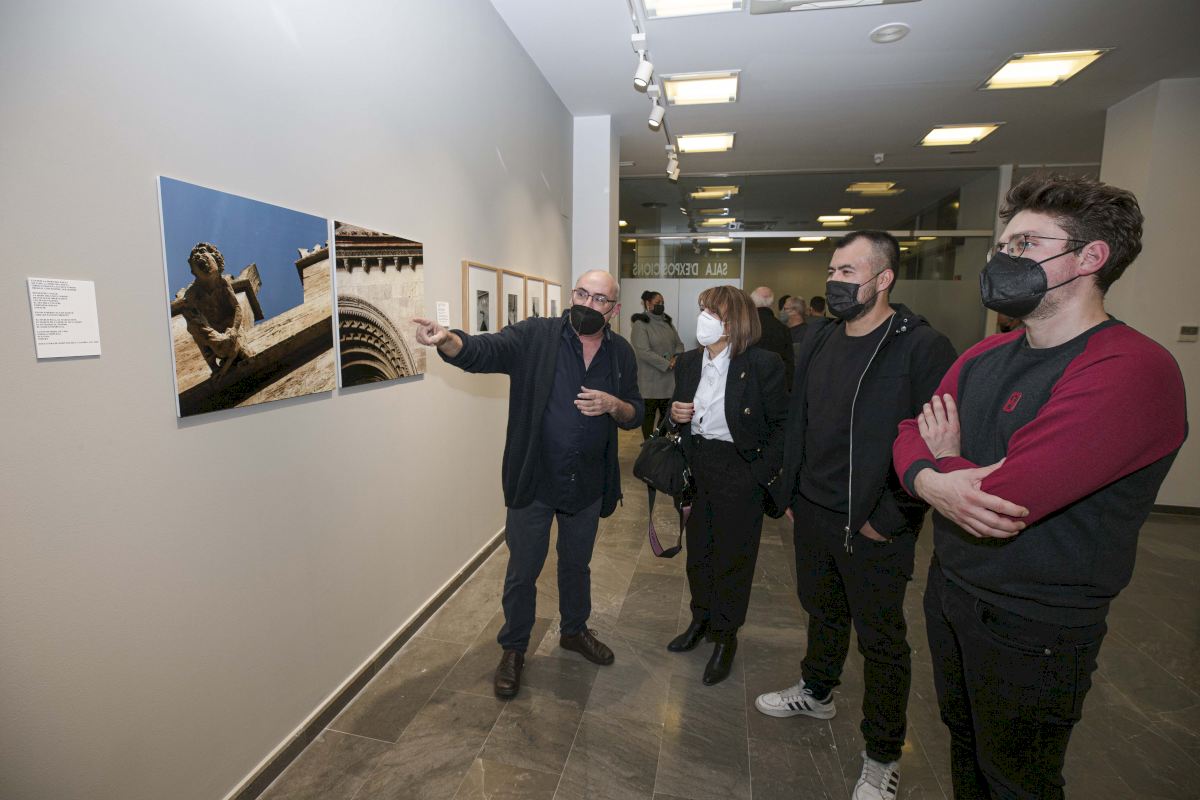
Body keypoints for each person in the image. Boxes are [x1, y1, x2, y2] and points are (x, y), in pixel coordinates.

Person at [893, 174, 1187, 800]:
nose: (1005, 258)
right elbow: (910, 431)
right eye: (1003, 246)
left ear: (1090, 257)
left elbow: (1007, 496)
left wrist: (939, 466)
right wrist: (934, 475)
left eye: (1026, 244)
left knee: (1016, 780)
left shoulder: (1131, 368)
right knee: (965, 749)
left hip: (1035, 622)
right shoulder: (986, 355)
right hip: (953, 589)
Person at [756, 230, 956, 800]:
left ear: (883, 279)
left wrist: (891, 517)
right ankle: (817, 691)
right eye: (832, 271)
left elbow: (934, 442)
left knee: (881, 641)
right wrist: (793, 492)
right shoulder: (821, 337)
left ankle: (883, 753)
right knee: (821, 611)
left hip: (874, 522)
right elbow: (802, 418)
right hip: (814, 510)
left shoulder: (921, 347)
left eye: (848, 272)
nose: (835, 280)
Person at [413, 269, 644, 699]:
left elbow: (635, 413)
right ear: (572, 294)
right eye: (582, 294)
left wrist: (614, 404)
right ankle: (514, 648)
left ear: (613, 309)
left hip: (586, 483)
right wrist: (447, 340)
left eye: (599, 299)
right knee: (523, 570)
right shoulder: (537, 336)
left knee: (576, 565)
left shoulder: (621, 354)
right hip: (534, 478)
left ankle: (574, 631)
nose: (588, 304)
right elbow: (485, 351)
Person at [666, 286, 788, 685]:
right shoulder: (689, 362)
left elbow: (781, 427)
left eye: (711, 312)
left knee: (733, 559)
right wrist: (674, 414)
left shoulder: (763, 364)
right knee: (698, 553)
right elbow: (676, 415)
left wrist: (757, 476)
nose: (702, 317)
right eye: (701, 309)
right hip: (698, 466)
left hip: (739, 470)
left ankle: (725, 635)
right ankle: (699, 620)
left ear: (734, 322)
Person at [630, 290, 685, 439]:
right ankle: (649, 446)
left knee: (666, 418)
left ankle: (658, 443)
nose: (661, 305)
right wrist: (667, 363)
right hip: (650, 383)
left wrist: (676, 357)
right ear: (648, 304)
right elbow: (643, 352)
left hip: (668, 382)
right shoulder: (640, 324)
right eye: (657, 302)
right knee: (648, 420)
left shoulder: (668, 323)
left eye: (662, 302)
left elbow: (679, 344)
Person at [750, 285, 795, 389]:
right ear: (772, 304)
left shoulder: (744, 326)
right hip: (775, 385)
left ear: (752, 303)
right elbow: (789, 364)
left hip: (749, 386)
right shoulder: (783, 329)